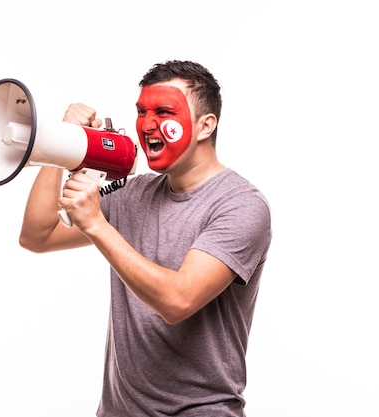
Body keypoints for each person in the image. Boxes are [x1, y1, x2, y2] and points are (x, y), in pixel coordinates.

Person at [19, 60, 272, 416]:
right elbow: (37, 234)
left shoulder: (241, 205)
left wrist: (97, 224)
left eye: (164, 111)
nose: (148, 124)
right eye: (141, 111)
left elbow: (178, 301)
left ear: (205, 125)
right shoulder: (132, 192)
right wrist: (59, 146)